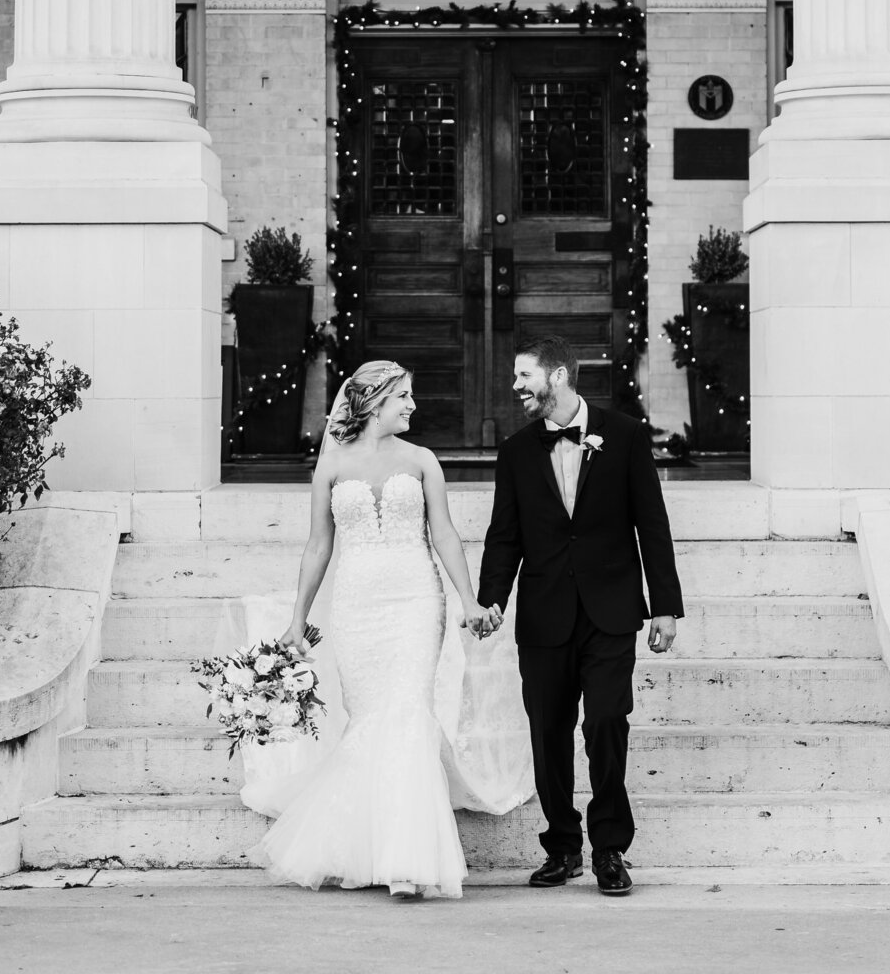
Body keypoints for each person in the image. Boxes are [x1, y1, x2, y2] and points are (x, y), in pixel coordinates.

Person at [258, 360, 499, 899]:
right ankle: (363, 848)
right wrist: (298, 618)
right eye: (403, 396)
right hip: (357, 606)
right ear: (373, 403)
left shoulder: (422, 460)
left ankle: (407, 859)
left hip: (416, 600)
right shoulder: (330, 466)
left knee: (409, 712)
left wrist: (468, 599)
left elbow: (445, 534)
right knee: (370, 717)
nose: (413, 405)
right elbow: (318, 545)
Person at [476, 334, 684, 897]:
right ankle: (562, 847)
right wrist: (492, 598)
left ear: (559, 376)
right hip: (544, 614)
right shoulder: (516, 452)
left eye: (524, 376)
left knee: (607, 723)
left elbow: (652, 523)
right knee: (548, 733)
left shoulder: (626, 435)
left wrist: (665, 605)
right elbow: (504, 535)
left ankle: (610, 849)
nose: (516, 386)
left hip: (611, 610)